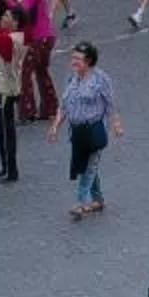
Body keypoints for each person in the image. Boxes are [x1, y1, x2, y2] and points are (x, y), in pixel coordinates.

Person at [54, 41, 122, 218]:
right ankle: (98, 199)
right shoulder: (72, 79)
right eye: (73, 57)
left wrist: (116, 124)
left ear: (89, 60)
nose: (74, 61)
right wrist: (55, 127)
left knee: (88, 167)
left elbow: (110, 104)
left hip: (93, 131)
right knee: (88, 166)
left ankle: (79, 202)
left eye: (78, 58)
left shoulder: (101, 79)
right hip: (77, 132)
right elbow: (64, 105)